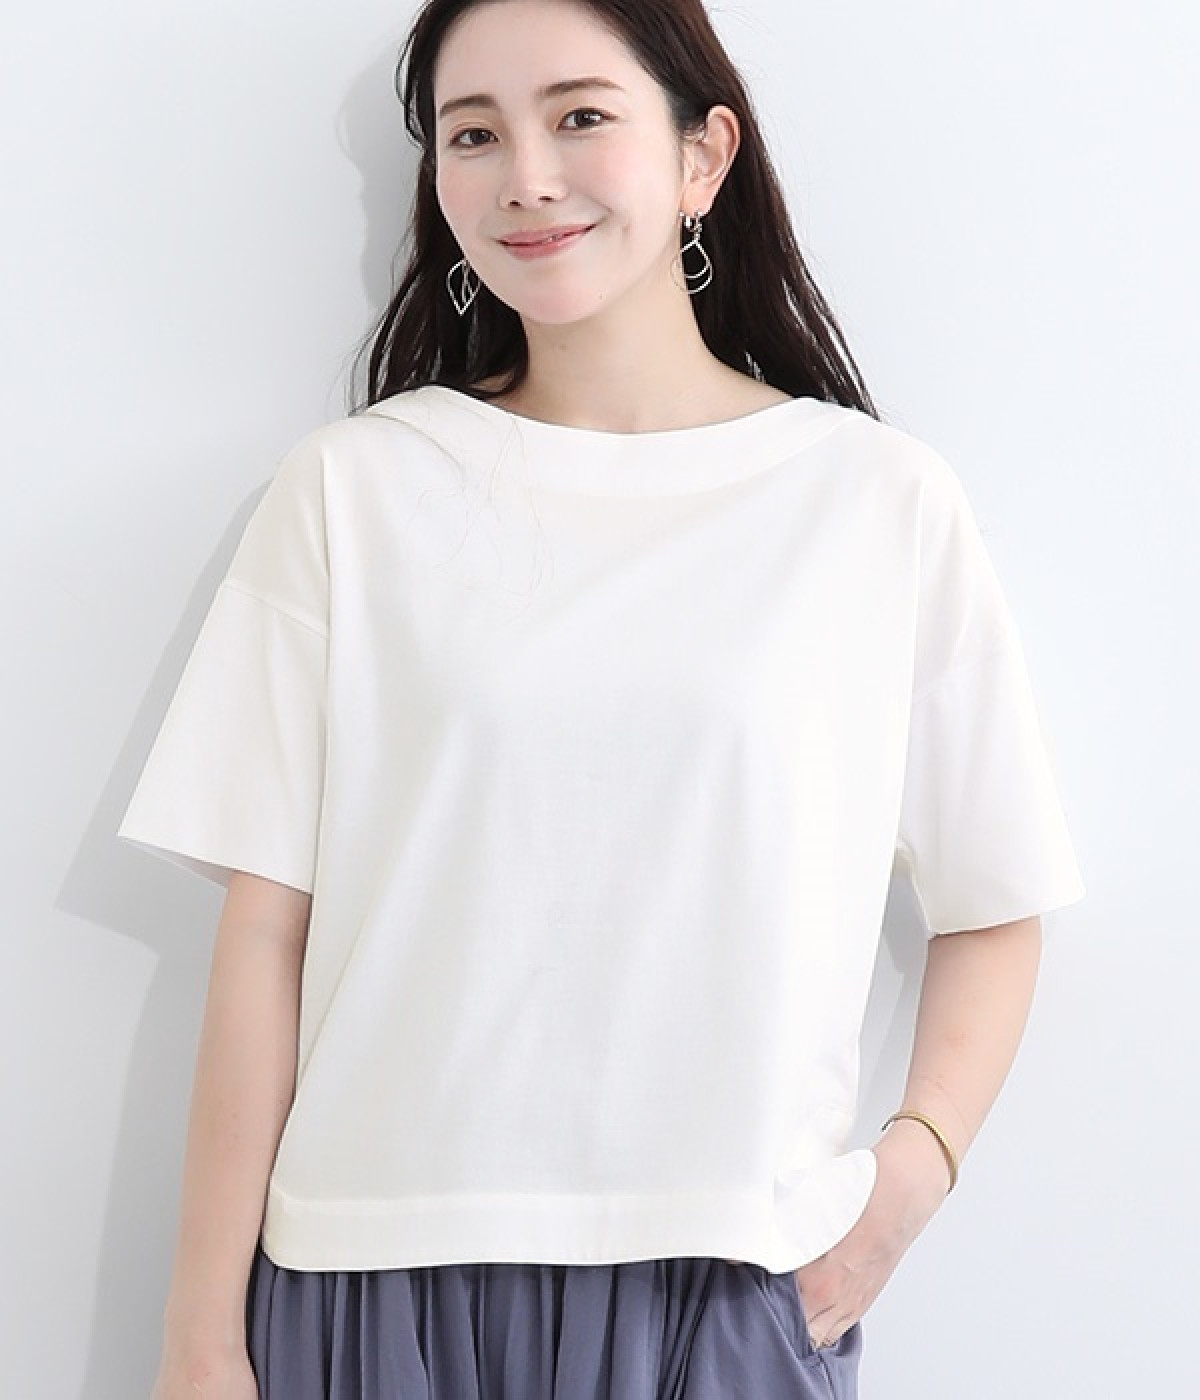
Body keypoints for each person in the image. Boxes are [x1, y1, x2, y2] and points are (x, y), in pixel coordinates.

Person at [119, 1, 1087, 1396]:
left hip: (726, 1283)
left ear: (703, 157)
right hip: (372, 1283)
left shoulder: (872, 501)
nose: (526, 176)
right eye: (473, 135)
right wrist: (200, 1339)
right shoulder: (354, 490)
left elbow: (996, 897)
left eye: (580, 116)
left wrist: (909, 1180)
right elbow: (267, 935)